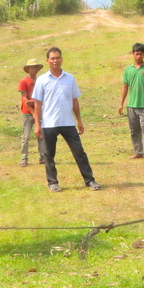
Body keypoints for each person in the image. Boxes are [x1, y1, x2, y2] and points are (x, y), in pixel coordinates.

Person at [32, 47, 101, 192]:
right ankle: (52, 182)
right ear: (47, 61)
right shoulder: (42, 80)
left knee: (79, 152)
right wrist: (37, 124)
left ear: (61, 59)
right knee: (49, 154)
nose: (55, 61)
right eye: (52, 58)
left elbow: (74, 100)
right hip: (49, 123)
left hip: (68, 122)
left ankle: (90, 180)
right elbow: (37, 104)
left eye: (57, 58)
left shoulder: (69, 78)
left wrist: (79, 120)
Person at [117, 43, 144, 161]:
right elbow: (125, 87)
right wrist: (121, 104)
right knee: (134, 130)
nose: (139, 56)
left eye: (141, 54)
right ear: (133, 54)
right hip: (131, 106)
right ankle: (138, 151)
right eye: (137, 53)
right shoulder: (128, 70)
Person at [17, 58, 47, 167]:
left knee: (41, 135)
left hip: (39, 111)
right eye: (32, 67)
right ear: (28, 69)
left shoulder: (40, 81)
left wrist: (34, 103)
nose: (34, 69)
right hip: (27, 112)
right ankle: (24, 158)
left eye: (35, 67)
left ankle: (43, 157)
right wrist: (33, 111)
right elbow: (25, 99)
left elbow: (42, 97)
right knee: (26, 136)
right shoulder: (23, 82)